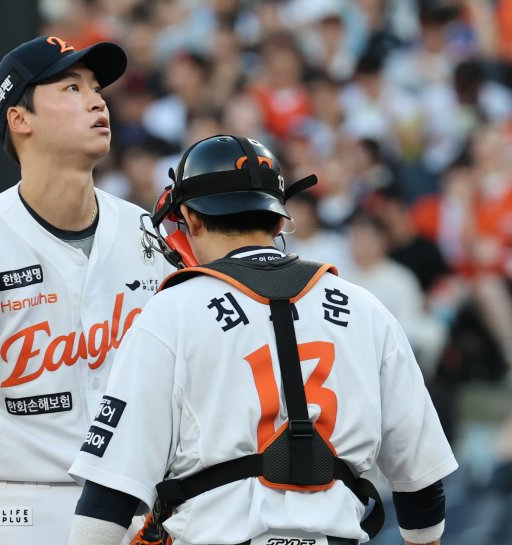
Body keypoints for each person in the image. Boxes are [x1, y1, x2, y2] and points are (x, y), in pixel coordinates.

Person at [67, 135, 458, 545]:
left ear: (190, 218)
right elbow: (423, 493)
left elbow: (107, 500)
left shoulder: (170, 311)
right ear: (277, 221)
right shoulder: (366, 308)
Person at [0, 35, 172, 545]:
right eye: (71, 88)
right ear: (20, 119)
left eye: (96, 88)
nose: (97, 100)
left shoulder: (149, 236)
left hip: (143, 512)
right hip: (24, 512)